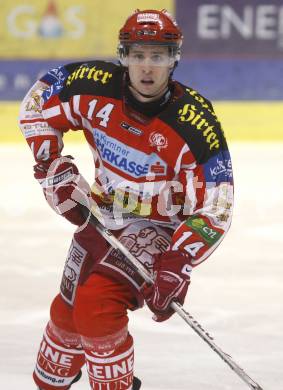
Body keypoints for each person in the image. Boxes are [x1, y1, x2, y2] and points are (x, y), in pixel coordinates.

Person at [19, 9, 233, 390]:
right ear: (123, 55)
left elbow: (216, 204)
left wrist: (179, 259)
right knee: (67, 316)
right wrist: (51, 165)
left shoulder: (193, 123)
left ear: (174, 58)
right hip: (101, 215)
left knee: (96, 308)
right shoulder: (92, 85)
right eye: (137, 55)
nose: (146, 67)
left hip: (160, 227)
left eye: (158, 56)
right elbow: (38, 101)